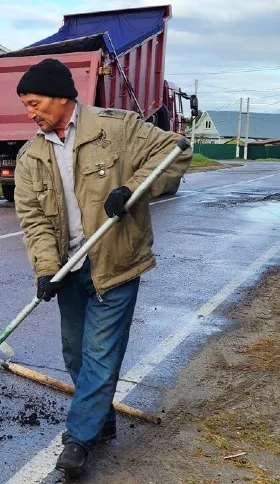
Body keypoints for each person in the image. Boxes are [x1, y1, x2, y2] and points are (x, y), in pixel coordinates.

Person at [11, 58, 191, 477]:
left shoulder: (116, 128)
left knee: (99, 354)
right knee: (75, 353)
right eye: (26, 105)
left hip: (116, 263)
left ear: (61, 97)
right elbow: (34, 220)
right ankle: (101, 419)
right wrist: (46, 269)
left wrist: (132, 189)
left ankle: (78, 439)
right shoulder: (30, 156)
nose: (29, 113)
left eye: (34, 103)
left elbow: (175, 152)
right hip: (70, 269)